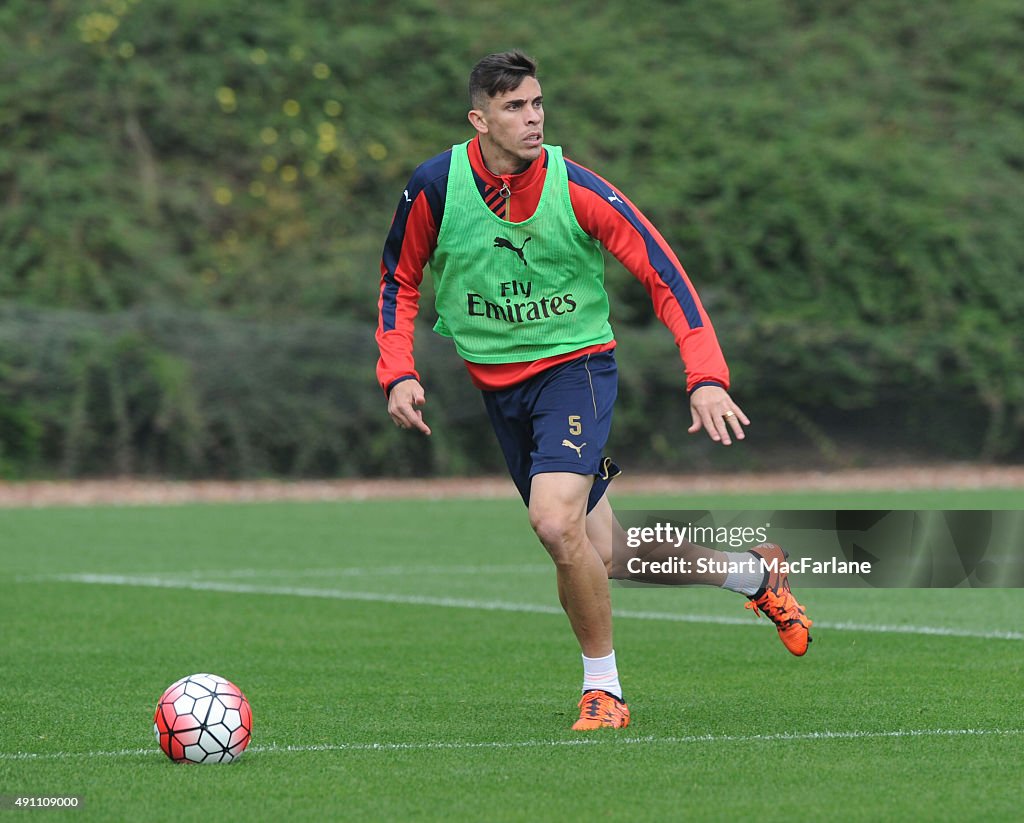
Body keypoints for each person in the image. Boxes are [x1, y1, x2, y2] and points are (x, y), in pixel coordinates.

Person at [376, 50, 812, 730]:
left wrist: (706, 376)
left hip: (573, 370)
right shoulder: (435, 186)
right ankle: (754, 574)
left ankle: (604, 689)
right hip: (500, 388)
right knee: (605, 553)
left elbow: (665, 274)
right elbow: (398, 281)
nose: (533, 117)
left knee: (554, 522)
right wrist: (398, 368)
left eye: (537, 103)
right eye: (515, 107)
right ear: (479, 118)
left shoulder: (578, 189)